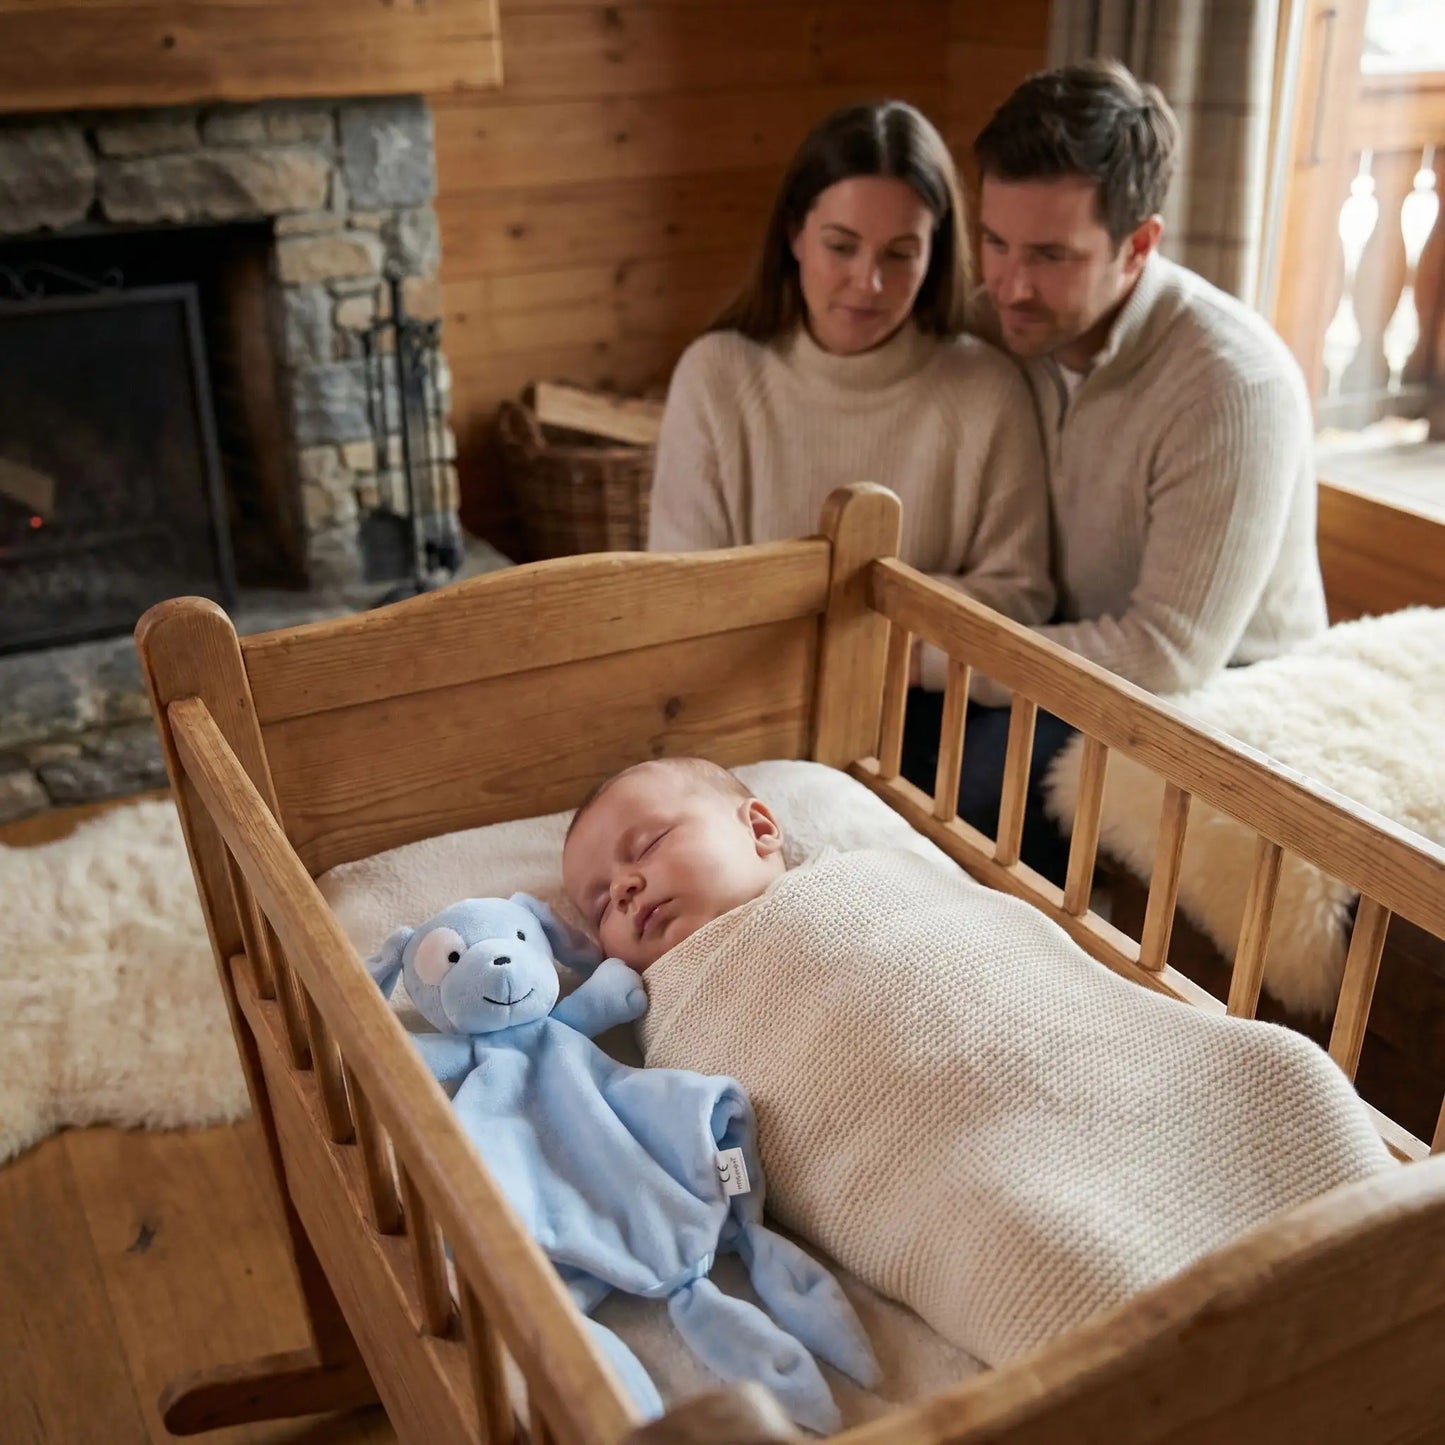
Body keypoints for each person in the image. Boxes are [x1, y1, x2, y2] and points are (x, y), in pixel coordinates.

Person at [561, 755, 1391, 1373]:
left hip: (1084, 1050)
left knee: (1274, 1074)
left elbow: (998, 943)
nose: (626, 889)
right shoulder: (674, 1024)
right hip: (959, 1159)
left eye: (647, 846)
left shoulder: (869, 874)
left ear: (761, 827)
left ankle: (1385, 1260)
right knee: (1049, 1258)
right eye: (600, 902)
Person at [646, 99, 1061, 874]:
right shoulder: (719, 374)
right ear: (794, 235)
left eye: (900, 254)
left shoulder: (985, 389)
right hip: (742, 705)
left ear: (936, 256)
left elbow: (1021, 596)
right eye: (840, 245)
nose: (866, 282)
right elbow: (682, 597)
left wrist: (877, 636)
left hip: (924, 715)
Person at [971, 58, 1329, 692]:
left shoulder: (1234, 386)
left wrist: (932, 653)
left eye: (1051, 256)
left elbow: (1166, 655)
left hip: (1229, 701)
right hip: (1063, 652)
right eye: (995, 242)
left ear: (1137, 247)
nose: (1011, 286)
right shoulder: (992, 319)